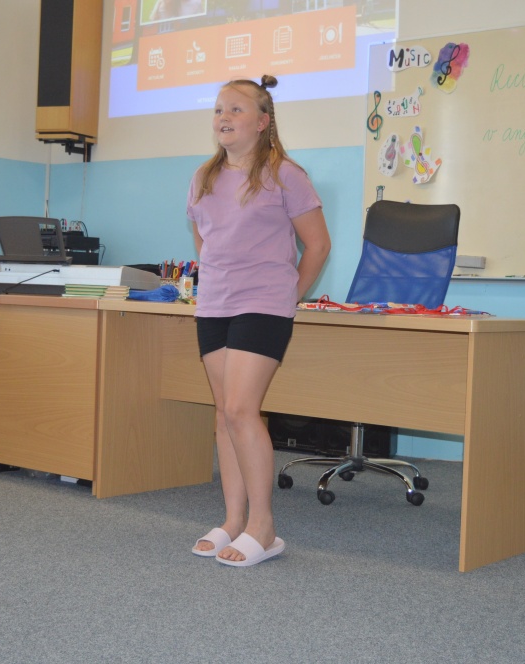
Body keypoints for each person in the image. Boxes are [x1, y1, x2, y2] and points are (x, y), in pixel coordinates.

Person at [186, 75, 331, 567]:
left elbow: (318, 245)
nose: (223, 117)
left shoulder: (285, 174)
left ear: (263, 121)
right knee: (224, 414)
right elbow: (205, 242)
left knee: (242, 409)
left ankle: (263, 527)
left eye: (236, 109)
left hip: (263, 304)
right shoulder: (203, 177)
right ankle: (233, 520)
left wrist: (288, 295)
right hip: (215, 305)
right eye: (218, 109)